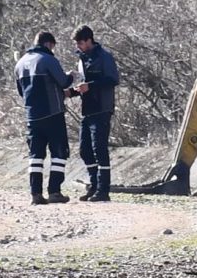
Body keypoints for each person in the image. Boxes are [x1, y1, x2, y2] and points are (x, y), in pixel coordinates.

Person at [14, 30, 72, 204]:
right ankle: (54, 191)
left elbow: (20, 92)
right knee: (59, 153)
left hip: (31, 116)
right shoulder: (48, 59)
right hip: (53, 113)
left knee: (36, 156)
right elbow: (63, 82)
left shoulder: (20, 64)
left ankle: (36, 194)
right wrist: (72, 75)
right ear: (48, 44)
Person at [68, 24, 121, 202]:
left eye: (80, 43)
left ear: (89, 40)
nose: (78, 47)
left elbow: (113, 79)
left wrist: (90, 86)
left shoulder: (105, 57)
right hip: (87, 110)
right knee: (85, 150)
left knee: (100, 149)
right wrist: (71, 92)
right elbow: (84, 84)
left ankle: (103, 190)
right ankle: (94, 186)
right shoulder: (81, 60)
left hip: (102, 108)